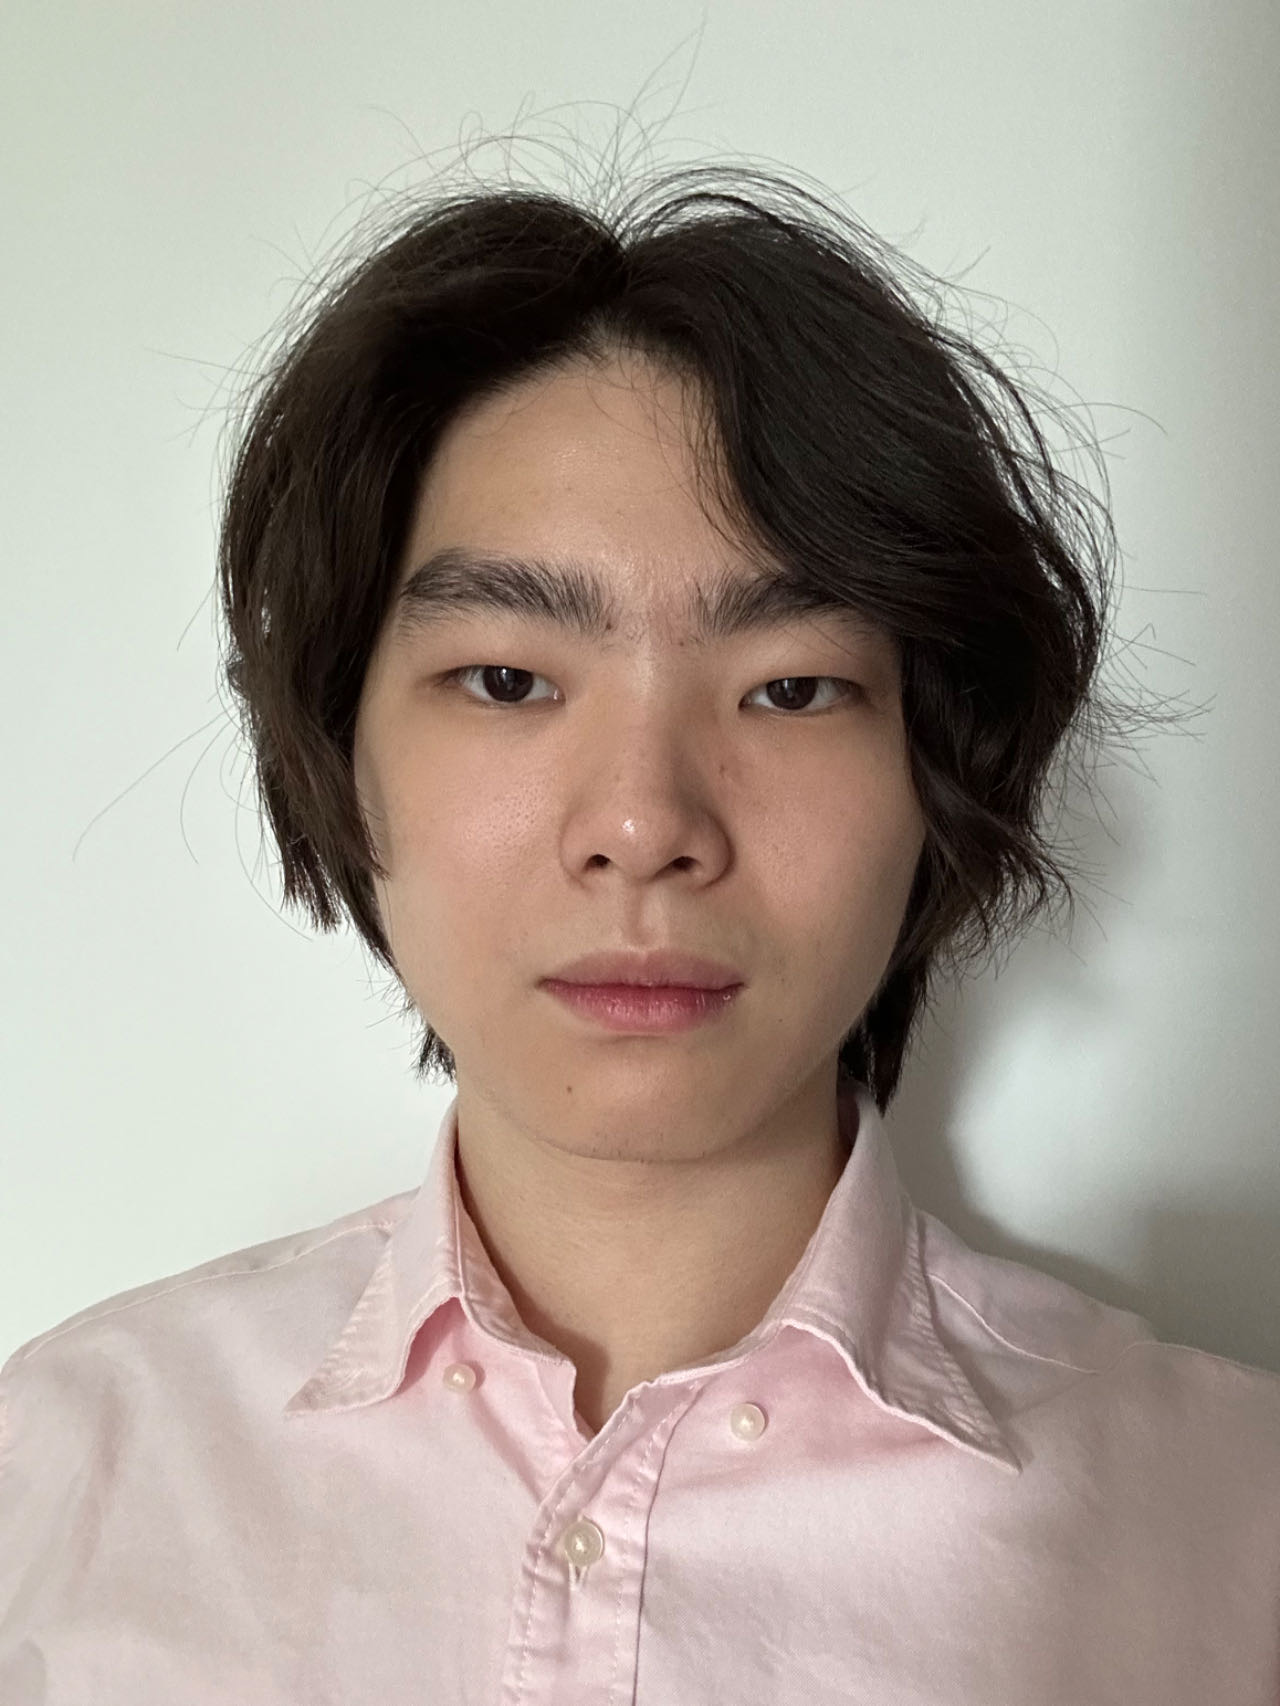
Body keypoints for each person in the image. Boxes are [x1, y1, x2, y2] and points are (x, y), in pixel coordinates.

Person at [2, 157, 1277, 1704]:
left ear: (938, 772)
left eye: (791, 686)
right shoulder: (60, 1478)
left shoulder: (1225, 1527)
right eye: (508, 679)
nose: (643, 820)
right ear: (342, 749)